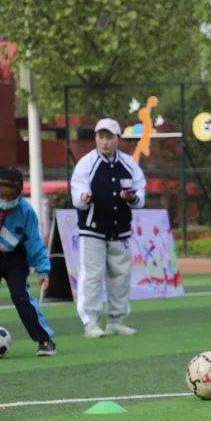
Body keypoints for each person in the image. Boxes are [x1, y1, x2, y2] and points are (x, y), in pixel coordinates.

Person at [70, 118, 146, 338]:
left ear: (117, 139)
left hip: (120, 228)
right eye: (100, 137)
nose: (104, 142)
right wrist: (84, 198)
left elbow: (141, 194)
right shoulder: (86, 163)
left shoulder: (130, 164)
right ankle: (90, 322)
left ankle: (116, 320)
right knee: (92, 275)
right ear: (95, 138)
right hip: (92, 228)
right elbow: (77, 195)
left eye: (109, 137)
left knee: (121, 275)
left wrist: (132, 197)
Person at [0, 167, 56, 356]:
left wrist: (43, 269)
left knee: (22, 298)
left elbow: (35, 243)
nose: (5, 201)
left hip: (15, 260)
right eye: (1, 196)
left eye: (10, 197)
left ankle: (45, 340)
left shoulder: (26, 212)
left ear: (19, 193)